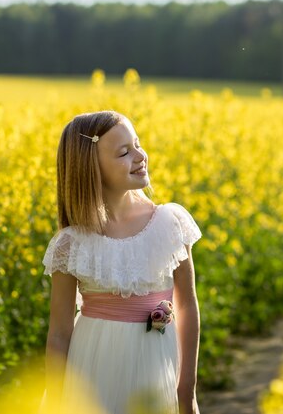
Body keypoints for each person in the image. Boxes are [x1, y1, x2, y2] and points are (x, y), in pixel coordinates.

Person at [40, 110, 202, 414]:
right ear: (92, 169)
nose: (140, 155)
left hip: (155, 367)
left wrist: (187, 391)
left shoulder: (170, 223)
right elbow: (60, 333)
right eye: (125, 152)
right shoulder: (72, 243)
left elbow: (186, 306)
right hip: (91, 367)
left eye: (138, 144)